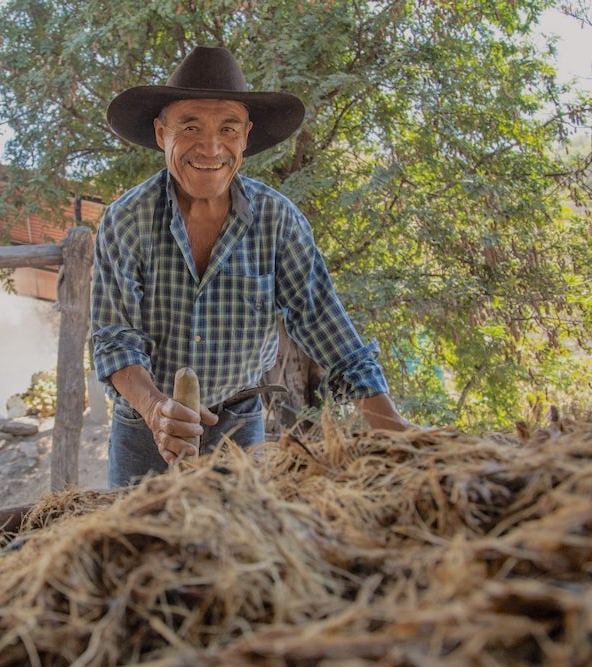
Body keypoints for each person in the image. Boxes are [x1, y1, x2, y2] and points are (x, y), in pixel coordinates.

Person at [92, 46, 412, 488]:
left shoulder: (277, 220)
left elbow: (321, 320)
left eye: (228, 128)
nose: (211, 146)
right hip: (144, 427)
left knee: (241, 545)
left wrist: (390, 425)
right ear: (161, 132)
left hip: (239, 426)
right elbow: (114, 339)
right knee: (137, 546)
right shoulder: (125, 220)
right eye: (190, 127)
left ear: (246, 136)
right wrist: (155, 411)